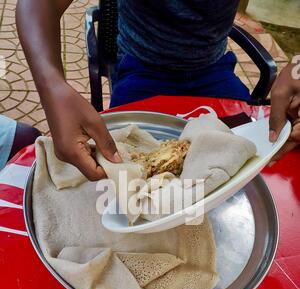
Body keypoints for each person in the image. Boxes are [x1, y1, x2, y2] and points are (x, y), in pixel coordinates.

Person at [15, 0, 300, 181]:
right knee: (116, 180)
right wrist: (52, 85)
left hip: (214, 69)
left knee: (262, 166)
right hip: (141, 68)